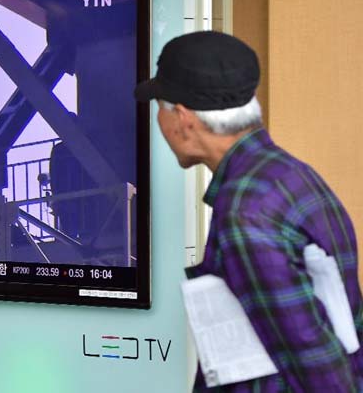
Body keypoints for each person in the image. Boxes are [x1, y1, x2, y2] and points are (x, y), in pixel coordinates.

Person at [134, 31, 363, 392]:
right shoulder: (291, 175)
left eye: (159, 109)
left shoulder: (246, 214)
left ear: (183, 119)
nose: (159, 122)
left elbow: (314, 359)